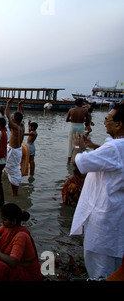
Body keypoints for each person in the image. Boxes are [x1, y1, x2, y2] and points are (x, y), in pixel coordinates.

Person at [70, 103, 124, 279]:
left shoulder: (115, 148)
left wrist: (77, 147)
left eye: (107, 119)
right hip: (115, 215)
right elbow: (111, 157)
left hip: (104, 219)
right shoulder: (117, 147)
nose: (104, 122)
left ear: (119, 124)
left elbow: (78, 163)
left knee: (101, 268)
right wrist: (93, 147)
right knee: (113, 264)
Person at [0, 203, 42, 281]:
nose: (2, 221)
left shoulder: (21, 236)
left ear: (13, 221)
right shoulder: (8, 227)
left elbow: (13, 262)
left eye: (4, 219)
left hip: (26, 272)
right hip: (11, 263)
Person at [4, 97, 25, 196]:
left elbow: (7, 116)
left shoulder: (15, 127)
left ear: (15, 120)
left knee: (13, 171)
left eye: (13, 117)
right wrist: (19, 105)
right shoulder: (22, 126)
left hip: (13, 151)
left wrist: (8, 104)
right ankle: (13, 190)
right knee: (14, 168)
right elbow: (19, 115)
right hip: (18, 150)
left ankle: (14, 194)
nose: (11, 118)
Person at [66, 98, 89, 163]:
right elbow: (87, 120)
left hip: (73, 126)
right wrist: (81, 120)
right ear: (82, 103)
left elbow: (67, 120)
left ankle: (69, 159)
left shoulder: (71, 110)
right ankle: (80, 159)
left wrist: (73, 120)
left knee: (71, 142)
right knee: (81, 142)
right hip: (81, 126)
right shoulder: (85, 110)